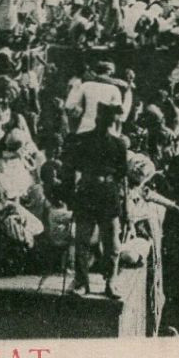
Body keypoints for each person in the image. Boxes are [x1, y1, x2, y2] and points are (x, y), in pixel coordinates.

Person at [65, 101, 129, 298]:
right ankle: (81, 281)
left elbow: (122, 173)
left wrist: (121, 201)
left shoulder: (119, 144)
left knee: (112, 243)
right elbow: (70, 167)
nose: (106, 123)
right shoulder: (82, 140)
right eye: (103, 119)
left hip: (108, 195)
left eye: (109, 120)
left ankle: (111, 281)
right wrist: (71, 197)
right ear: (96, 119)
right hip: (87, 193)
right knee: (82, 240)